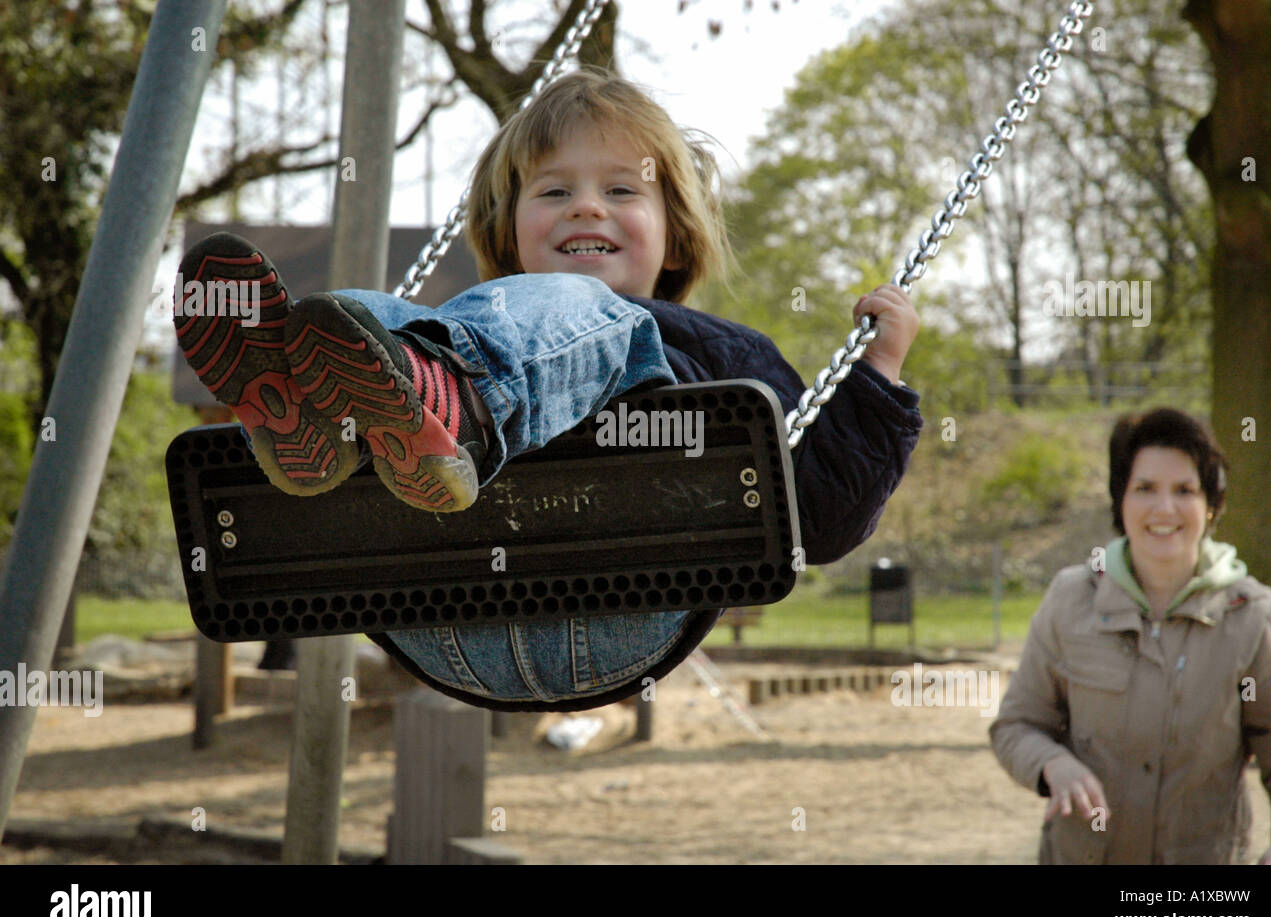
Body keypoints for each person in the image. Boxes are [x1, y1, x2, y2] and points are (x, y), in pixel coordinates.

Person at [174, 68, 924, 708]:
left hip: (622, 612)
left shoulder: (721, 350)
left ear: (677, 234)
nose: (585, 206)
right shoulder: (489, 312)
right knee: (362, 313)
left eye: (623, 189)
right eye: (555, 189)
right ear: (509, 235)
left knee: (582, 309)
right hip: (443, 620)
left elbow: (823, 521)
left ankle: (435, 409)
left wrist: (877, 379)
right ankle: (305, 402)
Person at [990, 408, 1271, 864]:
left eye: (1185, 491)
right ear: (1120, 501)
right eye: (1145, 489)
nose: (1164, 508)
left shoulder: (1256, 620)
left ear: (1211, 505)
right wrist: (1051, 763)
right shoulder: (1069, 599)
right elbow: (1016, 725)